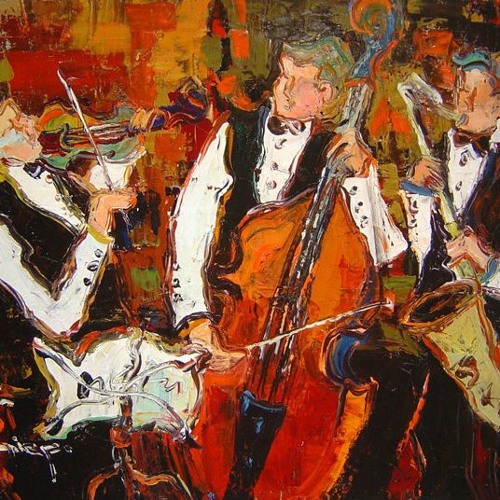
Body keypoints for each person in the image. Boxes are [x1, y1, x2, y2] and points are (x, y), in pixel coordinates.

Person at [163, 35, 424, 498]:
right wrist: (195, 319)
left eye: (295, 82)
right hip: (237, 322)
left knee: (403, 364)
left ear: (325, 94)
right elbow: (189, 230)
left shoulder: (339, 150)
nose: (279, 89)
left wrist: (361, 178)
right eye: (281, 76)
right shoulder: (233, 132)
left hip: (313, 339)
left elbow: (382, 250)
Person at [0, 96, 139, 498]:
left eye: (22, 113)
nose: (30, 123)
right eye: (12, 123)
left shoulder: (56, 178)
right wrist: (96, 227)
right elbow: (59, 319)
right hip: (54, 398)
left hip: (110, 370)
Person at [401, 49, 500, 498]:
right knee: (438, 434)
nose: (460, 101)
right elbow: (421, 253)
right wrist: (416, 193)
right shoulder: (437, 153)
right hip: (443, 324)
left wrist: (488, 264)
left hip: (493, 325)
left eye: (473, 94)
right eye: (459, 89)